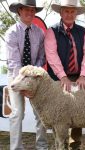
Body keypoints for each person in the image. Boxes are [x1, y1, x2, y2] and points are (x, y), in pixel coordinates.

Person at [44, 0, 85, 149]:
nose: (69, 14)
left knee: (78, 111)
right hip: (57, 78)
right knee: (57, 113)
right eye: (66, 11)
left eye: (73, 11)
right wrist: (62, 76)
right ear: (61, 12)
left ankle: (75, 145)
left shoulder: (83, 32)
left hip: (78, 77)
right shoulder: (51, 31)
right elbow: (51, 55)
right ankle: (60, 144)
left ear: (76, 13)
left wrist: (84, 75)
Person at [5, 0, 48, 149]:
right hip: (16, 77)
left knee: (40, 113)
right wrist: (23, 84)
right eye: (26, 10)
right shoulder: (12, 32)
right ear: (19, 11)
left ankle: (42, 146)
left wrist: (32, 81)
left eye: (32, 10)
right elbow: (14, 62)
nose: (30, 13)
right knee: (17, 113)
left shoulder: (39, 32)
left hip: (35, 79)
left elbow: (42, 58)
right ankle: (16, 147)